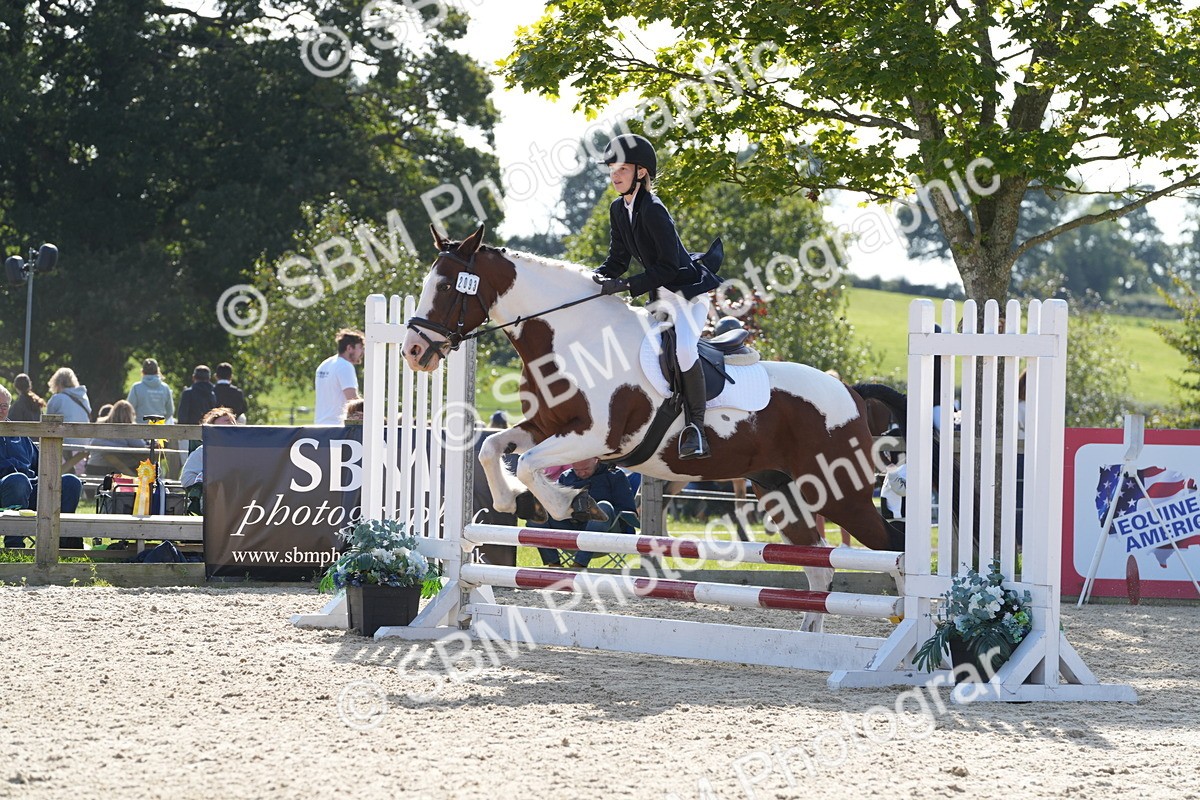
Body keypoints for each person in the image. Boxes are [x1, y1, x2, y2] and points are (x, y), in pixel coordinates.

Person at [592, 133, 722, 459]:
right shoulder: (618, 209)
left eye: (622, 169)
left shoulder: (653, 210)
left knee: (685, 350)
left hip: (687, 297)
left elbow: (668, 266)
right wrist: (593, 280)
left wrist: (627, 286)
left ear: (641, 172)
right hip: (660, 300)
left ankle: (697, 429)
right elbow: (617, 260)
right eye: (612, 170)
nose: (615, 176)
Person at [0, 385, 84, 549]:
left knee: (70, 481)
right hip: (5, 490)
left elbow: (42, 465)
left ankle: (63, 542)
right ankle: (14, 545)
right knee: (18, 480)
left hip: (30, 489)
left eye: (4, 406)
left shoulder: (19, 434)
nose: (1, 410)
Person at [536, 457, 638, 569]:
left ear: (596, 460)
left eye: (586, 469)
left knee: (604, 506)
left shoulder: (614, 475)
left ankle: (579, 564)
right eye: (577, 470)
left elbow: (627, 508)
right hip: (573, 528)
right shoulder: (566, 477)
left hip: (607, 532)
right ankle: (554, 564)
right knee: (538, 514)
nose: (582, 473)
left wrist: (591, 510)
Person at [180, 407, 238, 514]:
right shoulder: (203, 452)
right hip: (214, 500)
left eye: (232, 423)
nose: (230, 423)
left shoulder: (243, 450)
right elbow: (186, 479)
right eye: (226, 422)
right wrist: (207, 479)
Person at [44, 367, 92, 473]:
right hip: (83, 445)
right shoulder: (83, 398)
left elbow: (47, 424)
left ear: (56, 382)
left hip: (64, 445)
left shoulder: (57, 398)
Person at [314, 328, 364, 425]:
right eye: (360, 348)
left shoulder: (324, 364)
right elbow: (352, 400)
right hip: (337, 426)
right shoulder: (345, 366)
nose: (362, 352)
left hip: (320, 425)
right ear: (349, 348)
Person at [90, 400, 147, 475]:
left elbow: (94, 442)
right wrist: (125, 446)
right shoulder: (129, 428)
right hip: (116, 469)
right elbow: (140, 445)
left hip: (94, 467)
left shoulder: (101, 424)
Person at [127, 358, 175, 424]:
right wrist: (160, 421)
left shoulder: (136, 387)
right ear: (158, 371)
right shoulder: (165, 388)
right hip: (159, 427)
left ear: (142, 371)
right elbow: (170, 411)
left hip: (140, 426)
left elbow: (129, 409)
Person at [177, 365, 218, 434]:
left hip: (189, 432)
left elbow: (182, 416)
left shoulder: (188, 393)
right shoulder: (212, 394)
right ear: (209, 378)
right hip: (207, 432)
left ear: (193, 377)